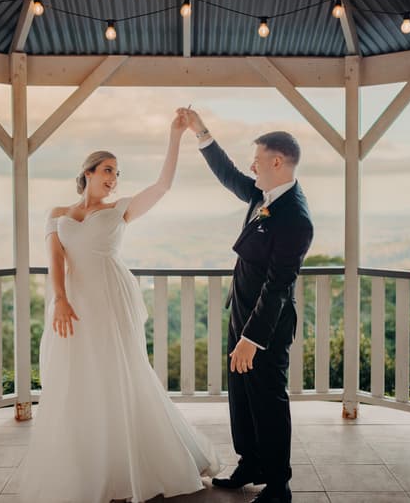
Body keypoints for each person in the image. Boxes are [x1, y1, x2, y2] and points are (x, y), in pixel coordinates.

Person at [17, 112, 219, 503]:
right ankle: (89, 465)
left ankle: (139, 462)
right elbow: (55, 260)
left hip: (112, 299)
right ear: (88, 173)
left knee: (120, 374)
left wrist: (175, 135)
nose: (113, 178)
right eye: (107, 170)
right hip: (73, 302)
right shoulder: (57, 214)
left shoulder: (120, 209)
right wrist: (59, 299)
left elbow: (163, 185)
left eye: (117, 173)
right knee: (77, 378)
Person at [178, 108, 313, 503]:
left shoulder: (296, 219)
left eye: (257, 158)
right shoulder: (263, 193)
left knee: (268, 398)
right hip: (241, 311)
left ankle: (278, 484)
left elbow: (277, 286)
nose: (251, 164)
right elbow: (229, 174)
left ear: (276, 161)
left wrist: (252, 338)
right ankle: (249, 462)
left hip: (266, 326)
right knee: (241, 392)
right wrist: (200, 132)